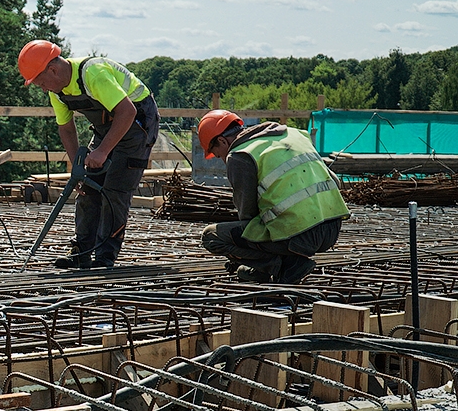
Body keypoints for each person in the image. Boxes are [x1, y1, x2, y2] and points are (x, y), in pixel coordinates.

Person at [17, 40, 160, 269]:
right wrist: (78, 169)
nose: (43, 89)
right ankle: (81, 252)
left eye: (41, 82)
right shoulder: (58, 92)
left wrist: (102, 151)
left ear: (53, 70)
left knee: (115, 190)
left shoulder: (93, 73)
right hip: (107, 127)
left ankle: (105, 256)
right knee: (88, 188)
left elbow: (127, 111)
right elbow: (66, 128)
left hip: (138, 123)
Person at [197, 110, 349, 284]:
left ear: (222, 141)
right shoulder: (295, 135)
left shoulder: (239, 155)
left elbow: (247, 214)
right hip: (331, 230)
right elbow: (335, 181)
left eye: (218, 155)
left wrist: (247, 255)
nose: (222, 159)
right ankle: (273, 266)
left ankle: (282, 265)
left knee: (211, 236)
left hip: (298, 236)